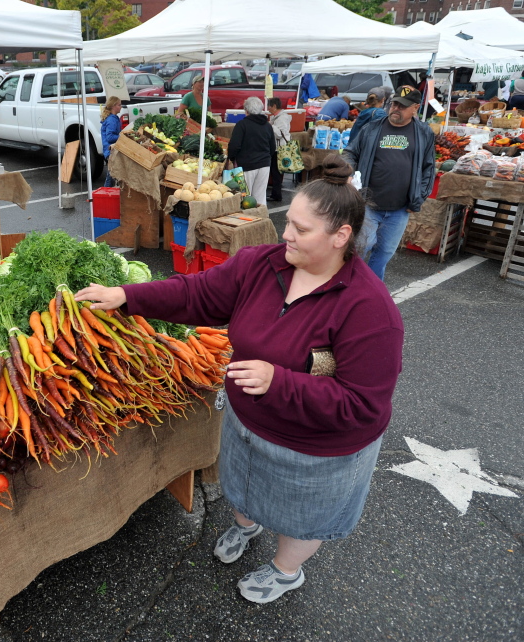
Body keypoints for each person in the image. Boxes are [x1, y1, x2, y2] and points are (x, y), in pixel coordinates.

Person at [74, 156, 404, 605]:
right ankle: (246, 527)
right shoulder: (262, 264)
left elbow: (362, 405)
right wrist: (127, 296)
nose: (285, 234)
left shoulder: (370, 310)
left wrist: (278, 381)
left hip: (316, 449)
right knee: (244, 489)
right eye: (288, 221)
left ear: (340, 237)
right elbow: (197, 293)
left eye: (301, 230)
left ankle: (286, 570)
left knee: (300, 517)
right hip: (250, 423)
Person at [343, 85, 435, 281]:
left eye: (402, 106)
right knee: (361, 247)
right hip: (368, 204)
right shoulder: (372, 128)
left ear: (415, 108)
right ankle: (348, 287)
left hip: (400, 209)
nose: (396, 108)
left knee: (384, 253)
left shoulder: (423, 132)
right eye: (394, 104)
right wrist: (348, 172)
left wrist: (419, 197)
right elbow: (350, 152)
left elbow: (429, 167)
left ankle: (372, 292)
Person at [228, 96, 276, 207]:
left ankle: (247, 221)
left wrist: (231, 158)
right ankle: (261, 220)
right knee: (260, 198)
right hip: (264, 164)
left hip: (246, 165)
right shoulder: (267, 125)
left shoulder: (242, 125)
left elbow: (234, 146)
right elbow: (272, 147)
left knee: (245, 198)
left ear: (247, 110)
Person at [267, 97, 292, 203]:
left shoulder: (281, 118)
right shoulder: (276, 117)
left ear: (274, 106)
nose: (267, 108)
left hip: (279, 148)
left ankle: (277, 195)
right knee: (275, 172)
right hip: (277, 148)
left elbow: (279, 134)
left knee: (276, 172)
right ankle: (275, 194)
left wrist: (270, 125)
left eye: (269, 106)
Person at [100, 96, 122, 188]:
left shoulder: (113, 118)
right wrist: (121, 137)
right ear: (113, 106)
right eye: (119, 105)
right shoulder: (111, 120)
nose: (121, 106)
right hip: (110, 152)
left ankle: (107, 195)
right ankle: (105, 196)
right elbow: (110, 137)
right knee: (110, 177)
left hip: (110, 151)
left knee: (112, 176)